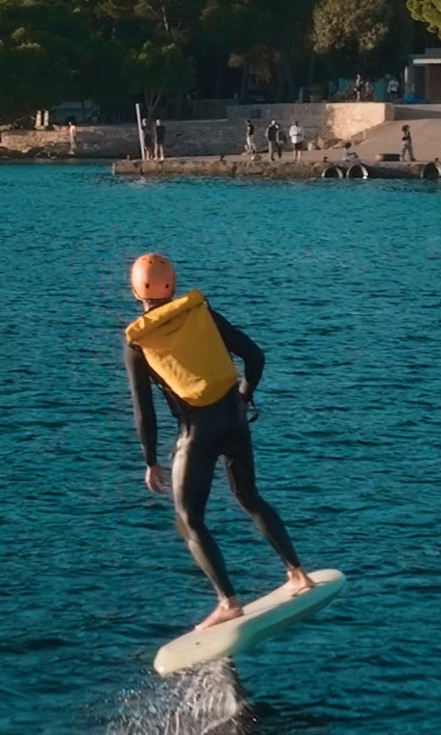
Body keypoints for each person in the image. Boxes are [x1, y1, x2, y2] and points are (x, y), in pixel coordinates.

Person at [121, 252, 315, 632]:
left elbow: (144, 410)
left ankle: (228, 603)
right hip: (234, 419)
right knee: (248, 496)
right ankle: (298, 574)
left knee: (189, 519)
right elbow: (254, 356)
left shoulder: (137, 342)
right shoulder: (201, 313)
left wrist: (150, 460)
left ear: (134, 291)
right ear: (172, 284)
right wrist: (244, 395)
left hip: (198, 431)